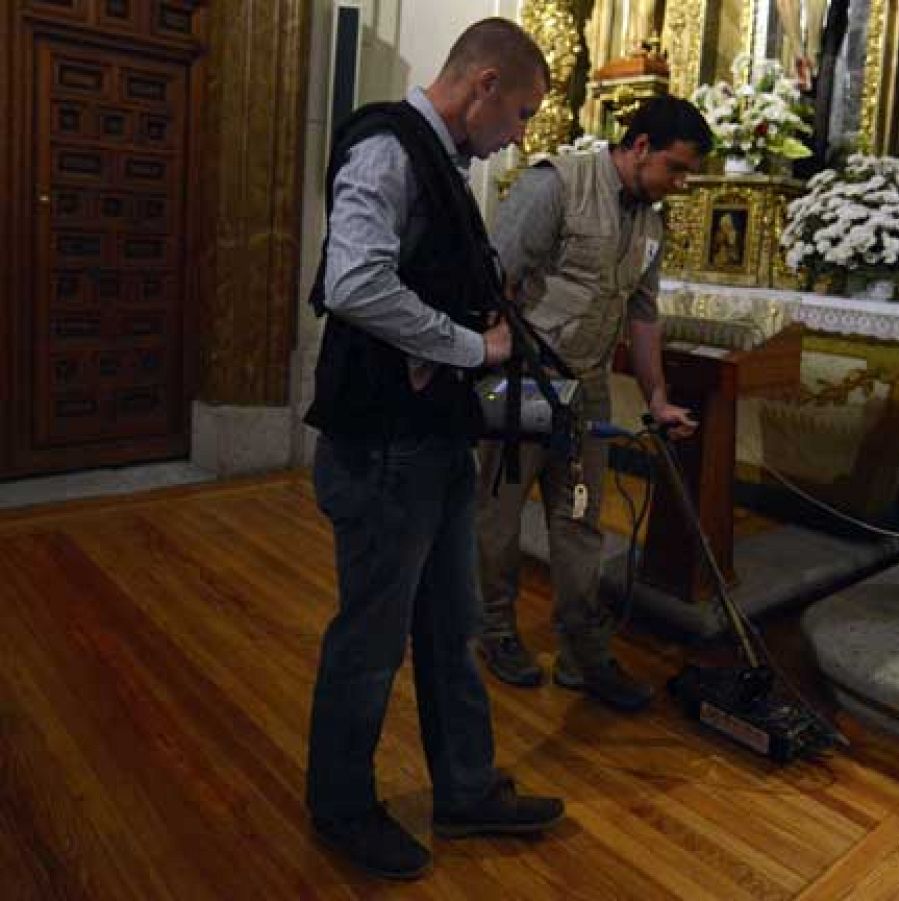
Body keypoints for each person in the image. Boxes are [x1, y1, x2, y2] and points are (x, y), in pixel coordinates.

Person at [302, 18, 563, 882]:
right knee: (370, 642)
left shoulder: (443, 161)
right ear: (482, 84)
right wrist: (470, 345)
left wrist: (481, 322)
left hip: (432, 440)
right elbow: (353, 283)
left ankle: (464, 785)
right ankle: (341, 805)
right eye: (521, 112)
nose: (521, 134)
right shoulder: (386, 145)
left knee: (451, 630)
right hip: (382, 447)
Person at [474, 96, 712, 710]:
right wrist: (492, 352)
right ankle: (494, 628)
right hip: (526, 378)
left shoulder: (652, 223)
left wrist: (657, 397)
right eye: (676, 169)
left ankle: (581, 647)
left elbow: (644, 315)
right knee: (499, 515)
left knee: (579, 519)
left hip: (589, 386)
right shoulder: (557, 183)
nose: (681, 185)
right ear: (639, 147)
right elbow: (493, 275)